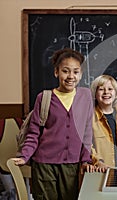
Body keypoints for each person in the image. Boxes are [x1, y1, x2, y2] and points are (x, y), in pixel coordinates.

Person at [12, 48, 93, 200]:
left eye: (75, 72)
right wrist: (24, 156)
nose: (71, 76)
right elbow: (34, 133)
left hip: (72, 165)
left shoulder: (86, 96)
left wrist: (85, 159)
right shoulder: (44, 98)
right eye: (65, 71)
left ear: (81, 74)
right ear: (56, 72)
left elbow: (87, 133)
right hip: (44, 165)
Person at [90, 75, 117, 172]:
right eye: (101, 89)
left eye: (110, 89)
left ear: (116, 94)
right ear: (95, 94)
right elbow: (87, 144)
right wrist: (97, 161)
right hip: (100, 169)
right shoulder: (89, 117)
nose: (106, 92)